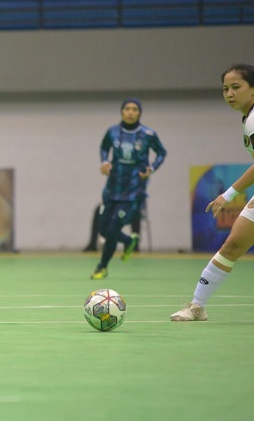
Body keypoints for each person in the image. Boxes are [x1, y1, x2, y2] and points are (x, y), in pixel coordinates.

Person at [171, 63, 254, 321]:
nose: (229, 93)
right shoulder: (248, 119)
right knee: (233, 244)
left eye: (236, 87)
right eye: (225, 89)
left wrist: (228, 194)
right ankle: (197, 307)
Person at [90, 98, 167, 279]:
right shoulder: (113, 132)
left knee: (114, 227)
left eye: (134, 109)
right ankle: (128, 240)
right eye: (127, 109)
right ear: (122, 112)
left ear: (139, 113)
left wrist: (152, 168)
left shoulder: (148, 134)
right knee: (103, 229)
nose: (131, 112)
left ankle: (102, 266)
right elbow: (103, 147)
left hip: (134, 190)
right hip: (112, 188)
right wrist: (104, 161)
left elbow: (162, 153)